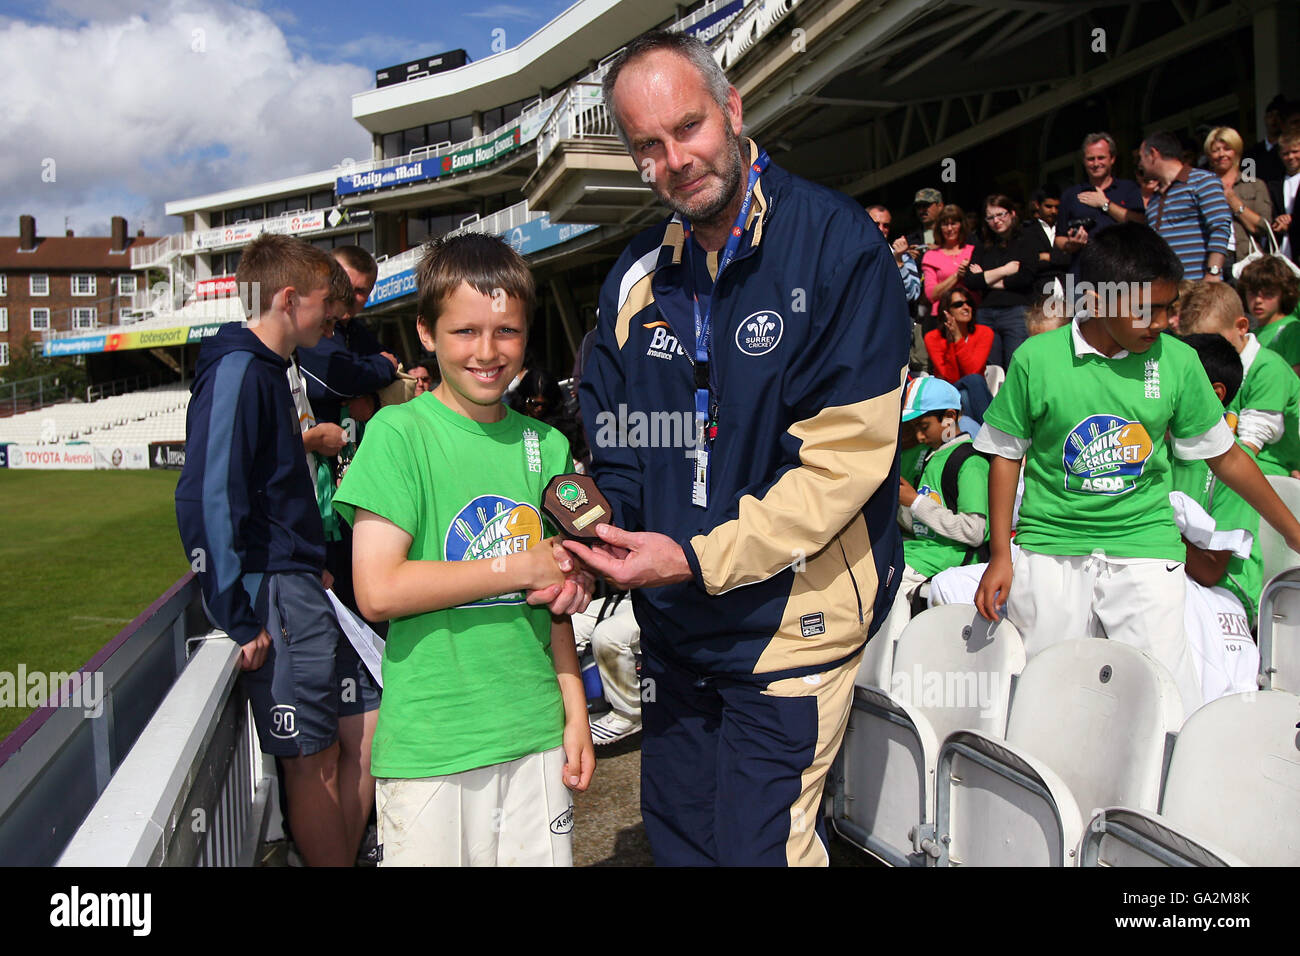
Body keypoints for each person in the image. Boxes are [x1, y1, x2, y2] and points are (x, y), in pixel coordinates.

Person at [572, 29, 909, 866]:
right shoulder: (635, 275)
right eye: (648, 145)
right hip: (677, 627)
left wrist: (692, 555)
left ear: (733, 109)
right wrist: (603, 524)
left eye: (688, 128)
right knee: (684, 842)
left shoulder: (837, 246)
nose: (675, 159)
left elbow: (840, 468)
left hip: (795, 625)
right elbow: (615, 435)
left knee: (763, 852)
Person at [332, 233, 596, 867]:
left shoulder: (547, 446)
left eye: (506, 331)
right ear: (426, 333)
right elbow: (378, 590)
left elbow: (554, 600)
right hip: (433, 742)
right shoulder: (399, 432)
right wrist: (518, 564)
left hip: (534, 730)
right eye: (465, 332)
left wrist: (576, 709)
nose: (487, 352)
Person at [972, 222, 1300, 718]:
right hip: (1050, 550)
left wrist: (1294, 532)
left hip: (1147, 551)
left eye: (1169, 308)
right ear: (1100, 301)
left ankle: (1165, 796)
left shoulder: (1179, 362)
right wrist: (1001, 553)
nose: (1163, 322)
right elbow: (1005, 455)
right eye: (1149, 310)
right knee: (1046, 702)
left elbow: (1228, 456)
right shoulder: (1036, 359)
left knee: (1165, 704)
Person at [175, 234, 380, 866]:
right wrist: (237, 616)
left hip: (299, 585)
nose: (334, 317)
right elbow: (207, 497)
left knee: (364, 728)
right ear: (289, 300)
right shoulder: (239, 369)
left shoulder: (265, 366)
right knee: (311, 762)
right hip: (273, 597)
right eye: (324, 304)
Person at [876, 377, 990, 657]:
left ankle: (900, 658)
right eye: (913, 428)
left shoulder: (970, 462)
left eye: (924, 426)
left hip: (946, 558)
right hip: (915, 551)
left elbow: (974, 531)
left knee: (882, 582)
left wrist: (915, 502)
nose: (918, 436)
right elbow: (917, 524)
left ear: (950, 417)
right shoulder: (927, 456)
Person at [1178, 280, 1300, 477]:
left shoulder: (1268, 369)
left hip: (1269, 471)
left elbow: (1251, 444)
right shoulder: (1200, 366)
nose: (1204, 351)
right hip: (1218, 464)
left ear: (1242, 327)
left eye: (1214, 340)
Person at [1140, 130, 1233, 281]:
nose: (1140, 164)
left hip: (1199, 288)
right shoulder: (1154, 200)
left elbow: (1220, 226)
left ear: (1153, 153)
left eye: (1141, 158)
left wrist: (1213, 273)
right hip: (1168, 292)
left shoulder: (1203, 181)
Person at [965, 194, 1043, 367]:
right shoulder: (982, 244)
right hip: (986, 313)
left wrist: (986, 278)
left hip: (1015, 310)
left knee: (1016, 364)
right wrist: (1005, 270)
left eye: (1001, 214)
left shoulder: (1026, 240)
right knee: (991, 369)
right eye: (991, 217)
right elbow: (971, 280)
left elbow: (1025, 278)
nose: (996, 221)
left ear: (1012, 213)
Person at [1057, 132, 1146, 265]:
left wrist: (1105, 204)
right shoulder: (1071, 195)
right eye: (1090, 159)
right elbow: (1059, 238)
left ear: (1112, 159)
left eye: (1101, 158)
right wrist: (1071, 245)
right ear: (1083, 161)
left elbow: (1140, 223)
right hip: (1083, 273)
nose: (1096, 163)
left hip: (1122, 271)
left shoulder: (1129, 189)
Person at [1204, 126, 1274, 265]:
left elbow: (1264, 227)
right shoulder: (1202, 186)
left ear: (1236, 151)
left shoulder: (1255, 185)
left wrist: (1234, 202)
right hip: (1210, 258)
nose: (1221, 154)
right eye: (1216, 150)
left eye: (1227, 148)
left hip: (1247, 259)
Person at [1240, 254, 1300, 373]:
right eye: (1252, 293)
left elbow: (1294, 377)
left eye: (1268, 293)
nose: (1258, 300)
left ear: (1284, 294)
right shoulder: (1251, 334)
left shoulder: (1293, 330)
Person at [920, 204, 974, 317]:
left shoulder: (973, 251)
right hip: (943, 316)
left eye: (953, 223)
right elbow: (931, 294)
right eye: (945, 224)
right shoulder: (931, 256)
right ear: (939, 228)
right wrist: (957, 275)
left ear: (961, 225)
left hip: (972, 314)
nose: (949, 229)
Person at [867, 204, 922, 304]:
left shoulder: (904, 257)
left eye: (886, 226)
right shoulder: (852, 256)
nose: (881, 229)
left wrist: (899, 262)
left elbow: (912, 295)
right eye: (876, 224)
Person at [1266, 126, 1300, 264]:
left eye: (1295, 152)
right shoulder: (1274, 184)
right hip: (1282, 253)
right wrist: (1278, 221)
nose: (1290, 157)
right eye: (1286, 153)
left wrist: (1292, 221)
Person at [1244, 94, 1290, 187]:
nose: (1274, 120)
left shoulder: (1289, 151)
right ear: (1265, 119)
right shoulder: (1252, 153)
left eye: (1278, 115)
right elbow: (1247, 182)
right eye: (1270, 115)